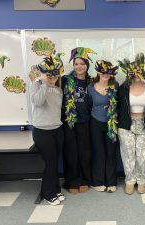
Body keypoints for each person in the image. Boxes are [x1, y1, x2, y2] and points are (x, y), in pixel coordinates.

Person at [117, 53, 145, 195]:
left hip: (144, 124)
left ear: (142, 69)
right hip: (126, 124)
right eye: (132, 71)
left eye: (138, 69)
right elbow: (116, 105)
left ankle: (141, 180)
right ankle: (129, 180)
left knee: (142, 154)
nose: (135, 73)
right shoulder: (123, 87)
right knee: (128, 154)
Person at [61, 47, 96, 194]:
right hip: (69, 122)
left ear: (87, 65)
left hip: (85, 122)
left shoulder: (92, 82)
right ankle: (72, 181)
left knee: (85, 153)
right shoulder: (65, 80)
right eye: (76, 64)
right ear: (73, 65)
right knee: (70, 153)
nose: (79, 66)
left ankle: (84, 180)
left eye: (82, 63)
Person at [31, 56, 65, 206]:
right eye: (49, 75)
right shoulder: (36, 85)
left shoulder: (58, 89)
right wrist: (43, 82)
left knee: (54, 163)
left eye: (55, 75)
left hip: (57, 130)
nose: (52, 77)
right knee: (50, 163)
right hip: (42, 132)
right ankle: (47, 193)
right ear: (44, 74)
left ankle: (55, 189)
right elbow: (38, 101)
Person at [88, 60, 119, 193]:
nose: (105, 74)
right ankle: (97, 182)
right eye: (103, 72)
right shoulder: (90, 87)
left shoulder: (115, 85)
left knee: (111, 153)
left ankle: (111, 182)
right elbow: (89, 105)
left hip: (111, 123)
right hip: (95, 122)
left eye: (108, 72)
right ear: (98, 72)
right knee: (99, 153)